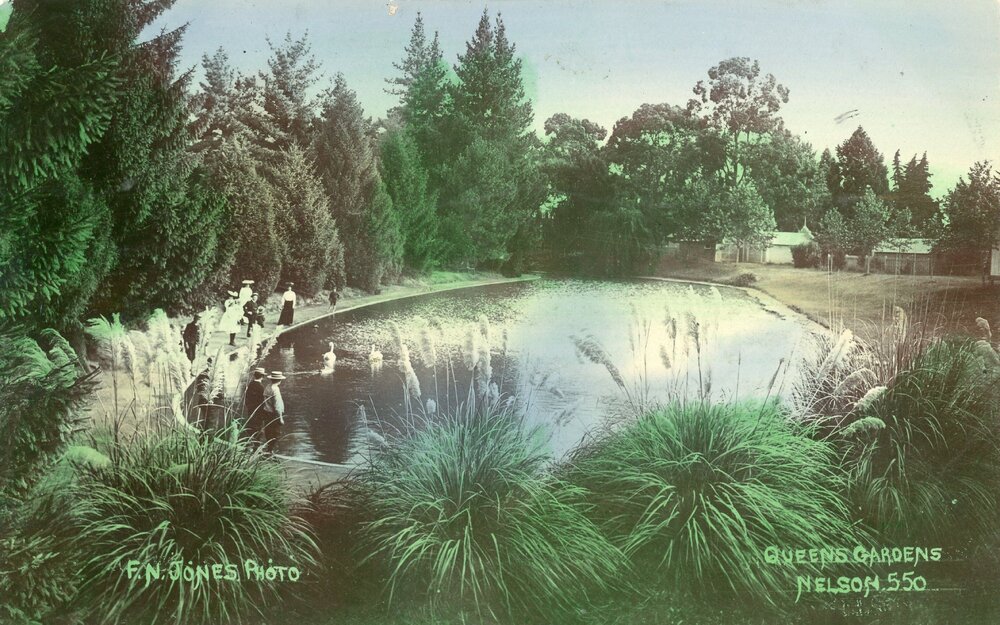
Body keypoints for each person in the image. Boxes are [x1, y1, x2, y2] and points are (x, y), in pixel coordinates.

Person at [261, 371, 286, 454]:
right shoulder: (276, 389)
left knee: (268, 432)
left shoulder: (267, 387)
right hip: (273, 414)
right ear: (279, 380)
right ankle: (270, 451)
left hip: (266, 412)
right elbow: (277, 406)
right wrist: (280, 418)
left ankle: (269, 449)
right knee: (276, 433)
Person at [243, 367, 267, 447]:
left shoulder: (250, 384)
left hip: (250, 409)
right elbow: (263, 402)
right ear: (262, 376)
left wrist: (249, 406)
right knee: (258, 429)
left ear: (254, 375)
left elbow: (246, 398)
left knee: (250, 426)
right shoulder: (261, 387)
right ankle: (256, 447)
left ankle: (248, 445)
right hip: (258, 412)